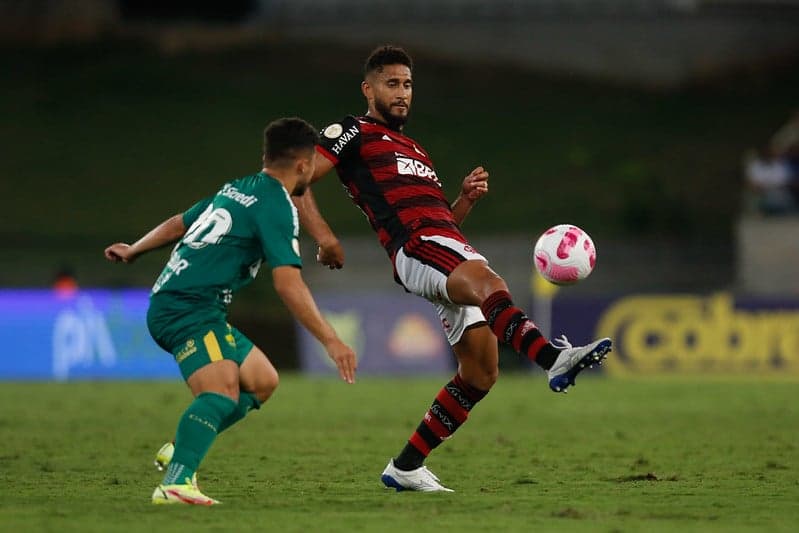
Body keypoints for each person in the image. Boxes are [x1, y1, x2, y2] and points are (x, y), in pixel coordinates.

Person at [293, 45, 612, 493]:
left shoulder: (415, 149)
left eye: (407, 84)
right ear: (369, 89)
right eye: (391, 83)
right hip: (417, 247)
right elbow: (298, 177)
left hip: (442, 244)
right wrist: (324, 237)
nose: (402, 93)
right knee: (490, 283)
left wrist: (462, 201)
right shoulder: (353, 130)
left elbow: (439, 218)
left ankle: (405, 466)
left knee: (481, 372)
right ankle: (553, 359)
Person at [104, 117, 357, 505]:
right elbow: (288, 284)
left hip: (187, 304)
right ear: (304, 165)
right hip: (187, 310)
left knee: (262, 381)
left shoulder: (238, 188)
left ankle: (182, 446)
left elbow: (179, 223)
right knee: (220, 393)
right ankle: (176, 483)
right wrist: (332, 339)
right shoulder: (276, 205)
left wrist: (135, 249)